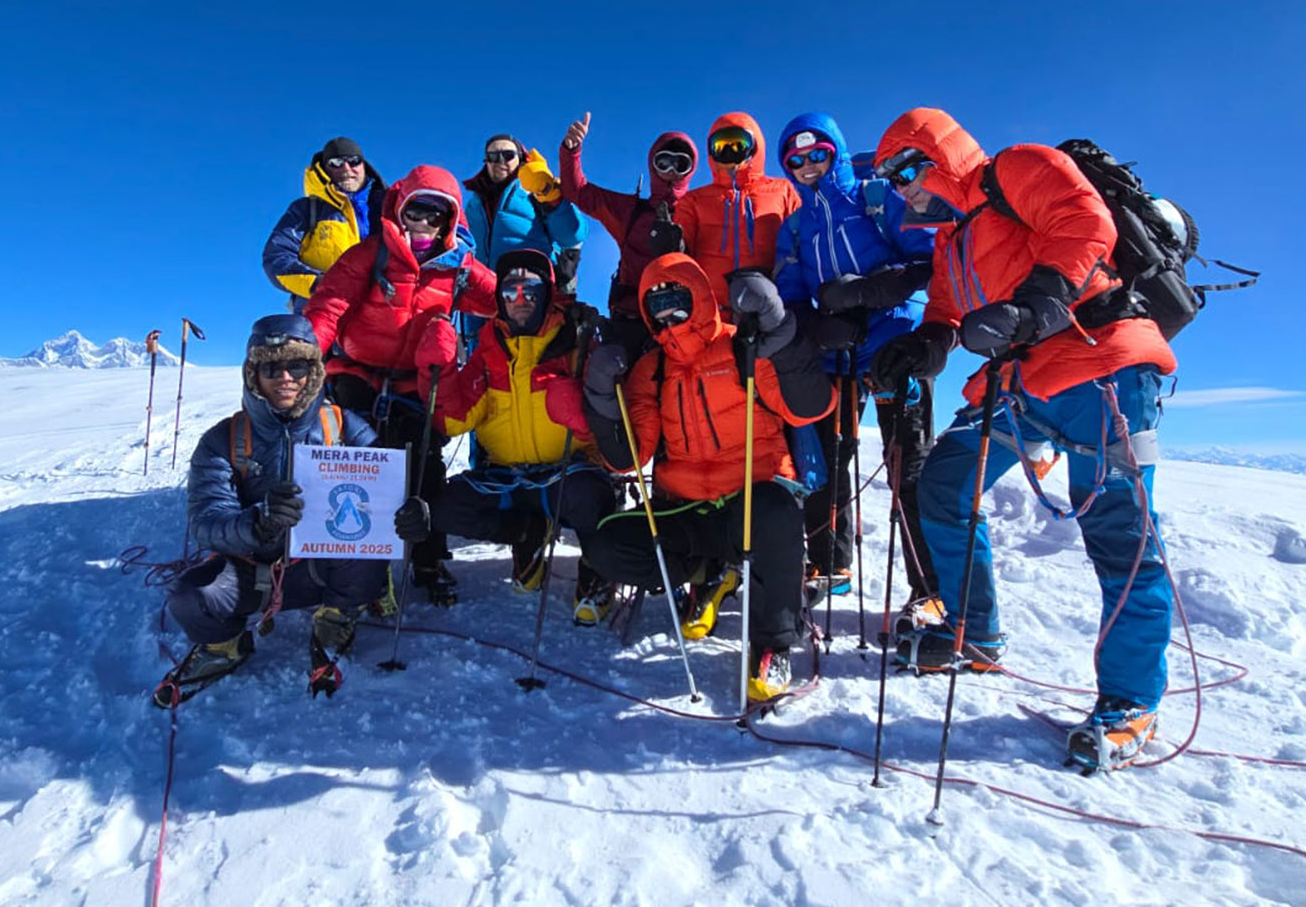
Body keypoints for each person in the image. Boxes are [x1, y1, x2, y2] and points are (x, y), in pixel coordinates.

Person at [869, 108, 1177, 772]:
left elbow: (1084, 222)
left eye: (904, 171)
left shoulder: (1018, 168)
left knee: (1120, 535)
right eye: (891, 182)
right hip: (1021, 387)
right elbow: (949, 315)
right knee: (944, 484)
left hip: (1104, 367)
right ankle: (972, 634)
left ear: (935, 155)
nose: (901, 190)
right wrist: (921, 346)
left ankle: (1131, 703)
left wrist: (1037, 303)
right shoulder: (951, 241)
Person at [579, 253, 836, 701]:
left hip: (752, 499)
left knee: (776, 513)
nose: (667, 316)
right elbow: (629, 458)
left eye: (676, 300)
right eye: (655, 308)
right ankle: (707, 570)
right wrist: (601, 397)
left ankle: (773, 642)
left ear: (698, 295)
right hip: (685, 507)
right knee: (606, 543)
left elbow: (810, 407)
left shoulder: (745, 346)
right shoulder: (651, 369)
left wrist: (783, 336)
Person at [156, 315, 388, 704]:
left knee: (368, 556)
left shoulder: (346, 427)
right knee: (189, 595)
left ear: (313, 372)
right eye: (271, 366)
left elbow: (381, 500)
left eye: (297, 365)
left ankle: (336, 618)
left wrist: (407, 516)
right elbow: (207, 521)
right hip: (251, 572)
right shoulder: (222, 440)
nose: (285, 377)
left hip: (322, 567)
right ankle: (224, 644)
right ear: (253, 375)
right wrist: (257, 522)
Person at [771, 113, 940, 613]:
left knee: (907, 467)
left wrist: (867, 295)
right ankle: (829, 563)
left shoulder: (879, 197)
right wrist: (819, 325)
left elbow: (928, 259)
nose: (807, 166)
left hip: (895, 345)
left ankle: (931, 590)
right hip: (839, 353)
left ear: (836, 152)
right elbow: (793, 296)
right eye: (795, 160)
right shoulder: (796, 228)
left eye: (817, 154)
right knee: (826, 460)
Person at [303, 164, 495, 603]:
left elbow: (505, 299)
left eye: (436, 215)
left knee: (423, 465)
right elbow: (328, 306)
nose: (425, 223)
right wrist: (304, 353)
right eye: (417, 211)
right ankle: (354, 561)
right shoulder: (371, 255)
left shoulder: (458, 267)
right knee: (357, 460)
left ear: (450, 221)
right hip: (356, 373)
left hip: (415, 380)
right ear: (400, 209)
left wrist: (553, 305)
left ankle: (427, 559)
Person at [396, 249, 616, 621]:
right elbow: (453, 421)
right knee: (445, 508)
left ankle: (596, 573)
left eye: (530, 291)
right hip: (508, 478)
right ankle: (528, 534)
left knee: (592, 497)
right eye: (510, 291)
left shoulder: (576, 338)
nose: (519, 300)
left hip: (567, 470)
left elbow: (616, 424)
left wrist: (582, 416)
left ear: (546, 293)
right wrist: (438, 369)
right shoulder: (488, 348)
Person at [557, 111, 698, 360]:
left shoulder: (699, 212)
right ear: (652, 165)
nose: (671, 171)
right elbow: (577, 192)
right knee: (615, 387)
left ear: (690, 171)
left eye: (681, 163)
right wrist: (572, 151)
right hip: (630, 325)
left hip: (685, 324)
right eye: (663, 162)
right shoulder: (631, 212)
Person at [661, 113, 800, 311]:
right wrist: (671, 244)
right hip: (713, 312)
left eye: (738, 144)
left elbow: (802, 243)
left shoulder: (783, 191)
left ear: (754, 146)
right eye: (721, 145)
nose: (729, 151)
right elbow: (681, 254)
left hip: (772, 307)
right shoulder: (694, 200)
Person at [262, 136, 387, 314]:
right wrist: (319, 283)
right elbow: (277, 257)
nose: (346, 168)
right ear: (325, 168)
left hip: (377, 314)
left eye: (354, 161)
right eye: (336, 162)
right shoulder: (307, 209)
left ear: (363, 165)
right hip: (321, 311)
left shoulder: (388, 208)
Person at [462, 132, 588, 296]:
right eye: (493, 156)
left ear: (520, 158)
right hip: (480, 297)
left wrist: (551, 196)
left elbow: (572, 235)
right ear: (486, 162)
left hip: (530, 295)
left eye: (508, 155)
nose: (500, 161)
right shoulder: (474, 203)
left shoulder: (537, 189)